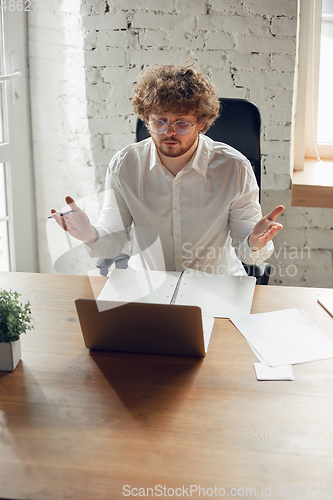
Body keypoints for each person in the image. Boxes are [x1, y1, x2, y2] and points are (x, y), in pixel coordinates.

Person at [51, 63, 284, 275]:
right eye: (159, 121)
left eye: (182, 123)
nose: (168, 132)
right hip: (149, 284)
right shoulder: (125, 165)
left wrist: (255, 241)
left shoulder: (235, 167)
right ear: (147, 120)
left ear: (201, 124)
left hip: (215, 284)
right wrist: (89, 234)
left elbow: (248, 253)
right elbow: (114, 238)